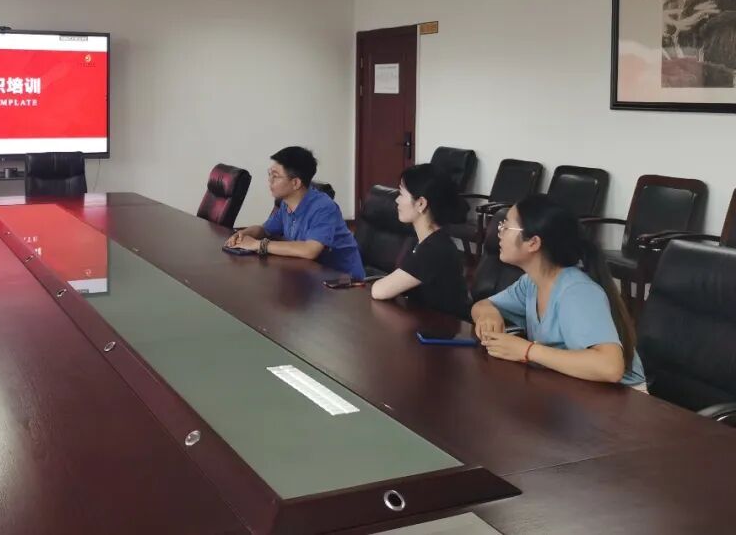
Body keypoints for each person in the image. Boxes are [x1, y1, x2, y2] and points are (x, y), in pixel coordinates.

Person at [471, 194, 645, 386]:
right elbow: (482, 305)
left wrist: (527, 350)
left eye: (506, 227)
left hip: (622, 396)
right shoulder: (530, 283)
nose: (499, 232)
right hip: (576, 388)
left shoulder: (577, 292)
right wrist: (488, 314)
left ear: (533, 243)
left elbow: (610, 368)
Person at [226, 146, 364, 279]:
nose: (269, 180)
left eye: (275, 176)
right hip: (309, 274)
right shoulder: (286, 204)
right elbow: (264, 230)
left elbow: (310, 250)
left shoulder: (323, 207)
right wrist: (243, 234)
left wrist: (258, 245)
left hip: (343, 281)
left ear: (296, 183)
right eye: (270, 174)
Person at [370, 164, 470, 318]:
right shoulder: (428, 240)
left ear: (421, 203)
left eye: (401, 194)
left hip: (444, 328)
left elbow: (380, 291)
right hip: (425, 321)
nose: (397, 200)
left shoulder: (434, 249)